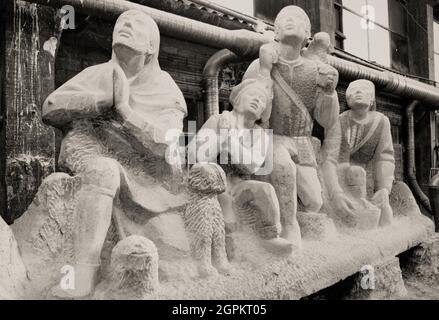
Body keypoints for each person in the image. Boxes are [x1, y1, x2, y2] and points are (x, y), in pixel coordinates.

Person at [42, 10, 187, 297]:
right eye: (121, 25)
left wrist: (124, 110)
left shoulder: (165, 88)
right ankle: (83, 274)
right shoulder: (99, 74)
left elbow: (165, 140)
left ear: (151, 46)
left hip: (143, 170)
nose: (124, 28)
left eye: (134, 26)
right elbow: (50, 107)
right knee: (103, 171)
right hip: (89, 149)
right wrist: (101, 100)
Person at [243, 6, 351, 247]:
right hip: (271, 136)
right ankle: (289, 225)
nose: (290, 22)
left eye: (298, 20)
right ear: (276, 32)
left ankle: (289, 207)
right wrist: (264, 71)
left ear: (307, 34)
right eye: (283, 20)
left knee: (314, 201)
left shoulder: (315, 70)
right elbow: (250, 108)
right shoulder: (260, 63)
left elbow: (326, 120)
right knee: (282, 166)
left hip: (302, 141)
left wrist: (329, 92)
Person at [188, 78, 294, 255]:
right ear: (237, 100)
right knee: (228, 219)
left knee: (265, 191)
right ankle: (224, 247)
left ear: (262, 112)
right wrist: (220, 140)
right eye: (252, 94)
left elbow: (251, 165)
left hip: (239, 185)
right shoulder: (218, 120)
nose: (256, 100)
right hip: (214, 185)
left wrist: (227, 139)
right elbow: (195, 154)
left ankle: (270, 237)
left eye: (261, 100)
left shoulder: (260, 135)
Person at [333, 79, 395, 226]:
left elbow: (385, 156)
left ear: (372, 98)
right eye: (353, 90)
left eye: (364, 89)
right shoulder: (340, 121)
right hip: (345, 175)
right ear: (347, 100)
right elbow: (338, 157)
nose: (358, 92)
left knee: (385, 215)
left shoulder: (381, 121)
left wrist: (384, 188)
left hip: (371, 175)